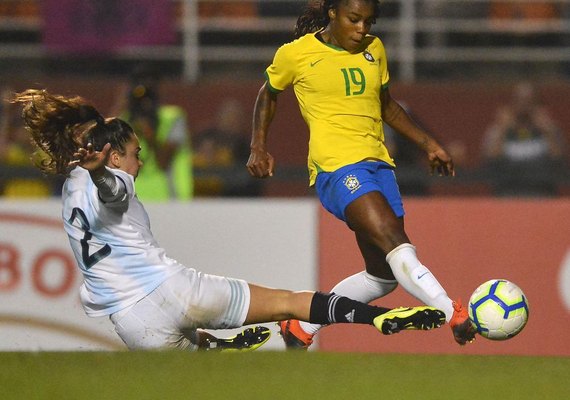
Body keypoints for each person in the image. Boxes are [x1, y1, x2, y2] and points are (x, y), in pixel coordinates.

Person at [12, 88, 447, 351]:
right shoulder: (113, 179)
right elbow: (112, 192)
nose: (140, 161)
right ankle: (378, 318)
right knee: (288, 302)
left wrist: (88, 161)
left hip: (130, 322)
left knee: (196, 373)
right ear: (112, 155)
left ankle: (215, 343)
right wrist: (103, 172)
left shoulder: (70, 185)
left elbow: (96, 186)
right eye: (135, 153)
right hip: (173, 290)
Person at [247, 0, 476, 349]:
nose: (361, 29)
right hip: (337, 167)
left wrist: (429, 144)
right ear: (333, 13)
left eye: (368, 22)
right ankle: (450, 311)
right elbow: (269, 93)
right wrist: (258, 146)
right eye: (354, 20)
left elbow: (386, 105)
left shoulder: (375, 49)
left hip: (379, 166)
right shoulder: (297, 54)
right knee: (393, 241)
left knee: (382, 276)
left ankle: (302, 328)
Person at [119, 66, 193, 201]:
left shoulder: (173, 118)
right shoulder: (125, 120)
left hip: (167, 198)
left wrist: (150, 136)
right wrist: (121, 104)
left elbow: (163, 162)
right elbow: (105, 151)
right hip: (132, 200)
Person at [481, 81, 566, 196]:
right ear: (512, 103)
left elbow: (559, 159)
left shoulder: (550, 129)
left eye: (529, 101)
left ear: (538, 104)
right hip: (506, 193)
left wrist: (547, 130)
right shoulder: (498, 129)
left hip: (542, 193)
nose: (524, 105)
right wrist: (502, 129)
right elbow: (490, 159)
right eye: (520, 100)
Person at [193, 98, 262, 197]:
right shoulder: (207, 138)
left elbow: (249, 181)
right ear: (219, 118)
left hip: (233, 199)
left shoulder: (247, 149)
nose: (232, 122)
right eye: (228, 118)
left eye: (236, 119)